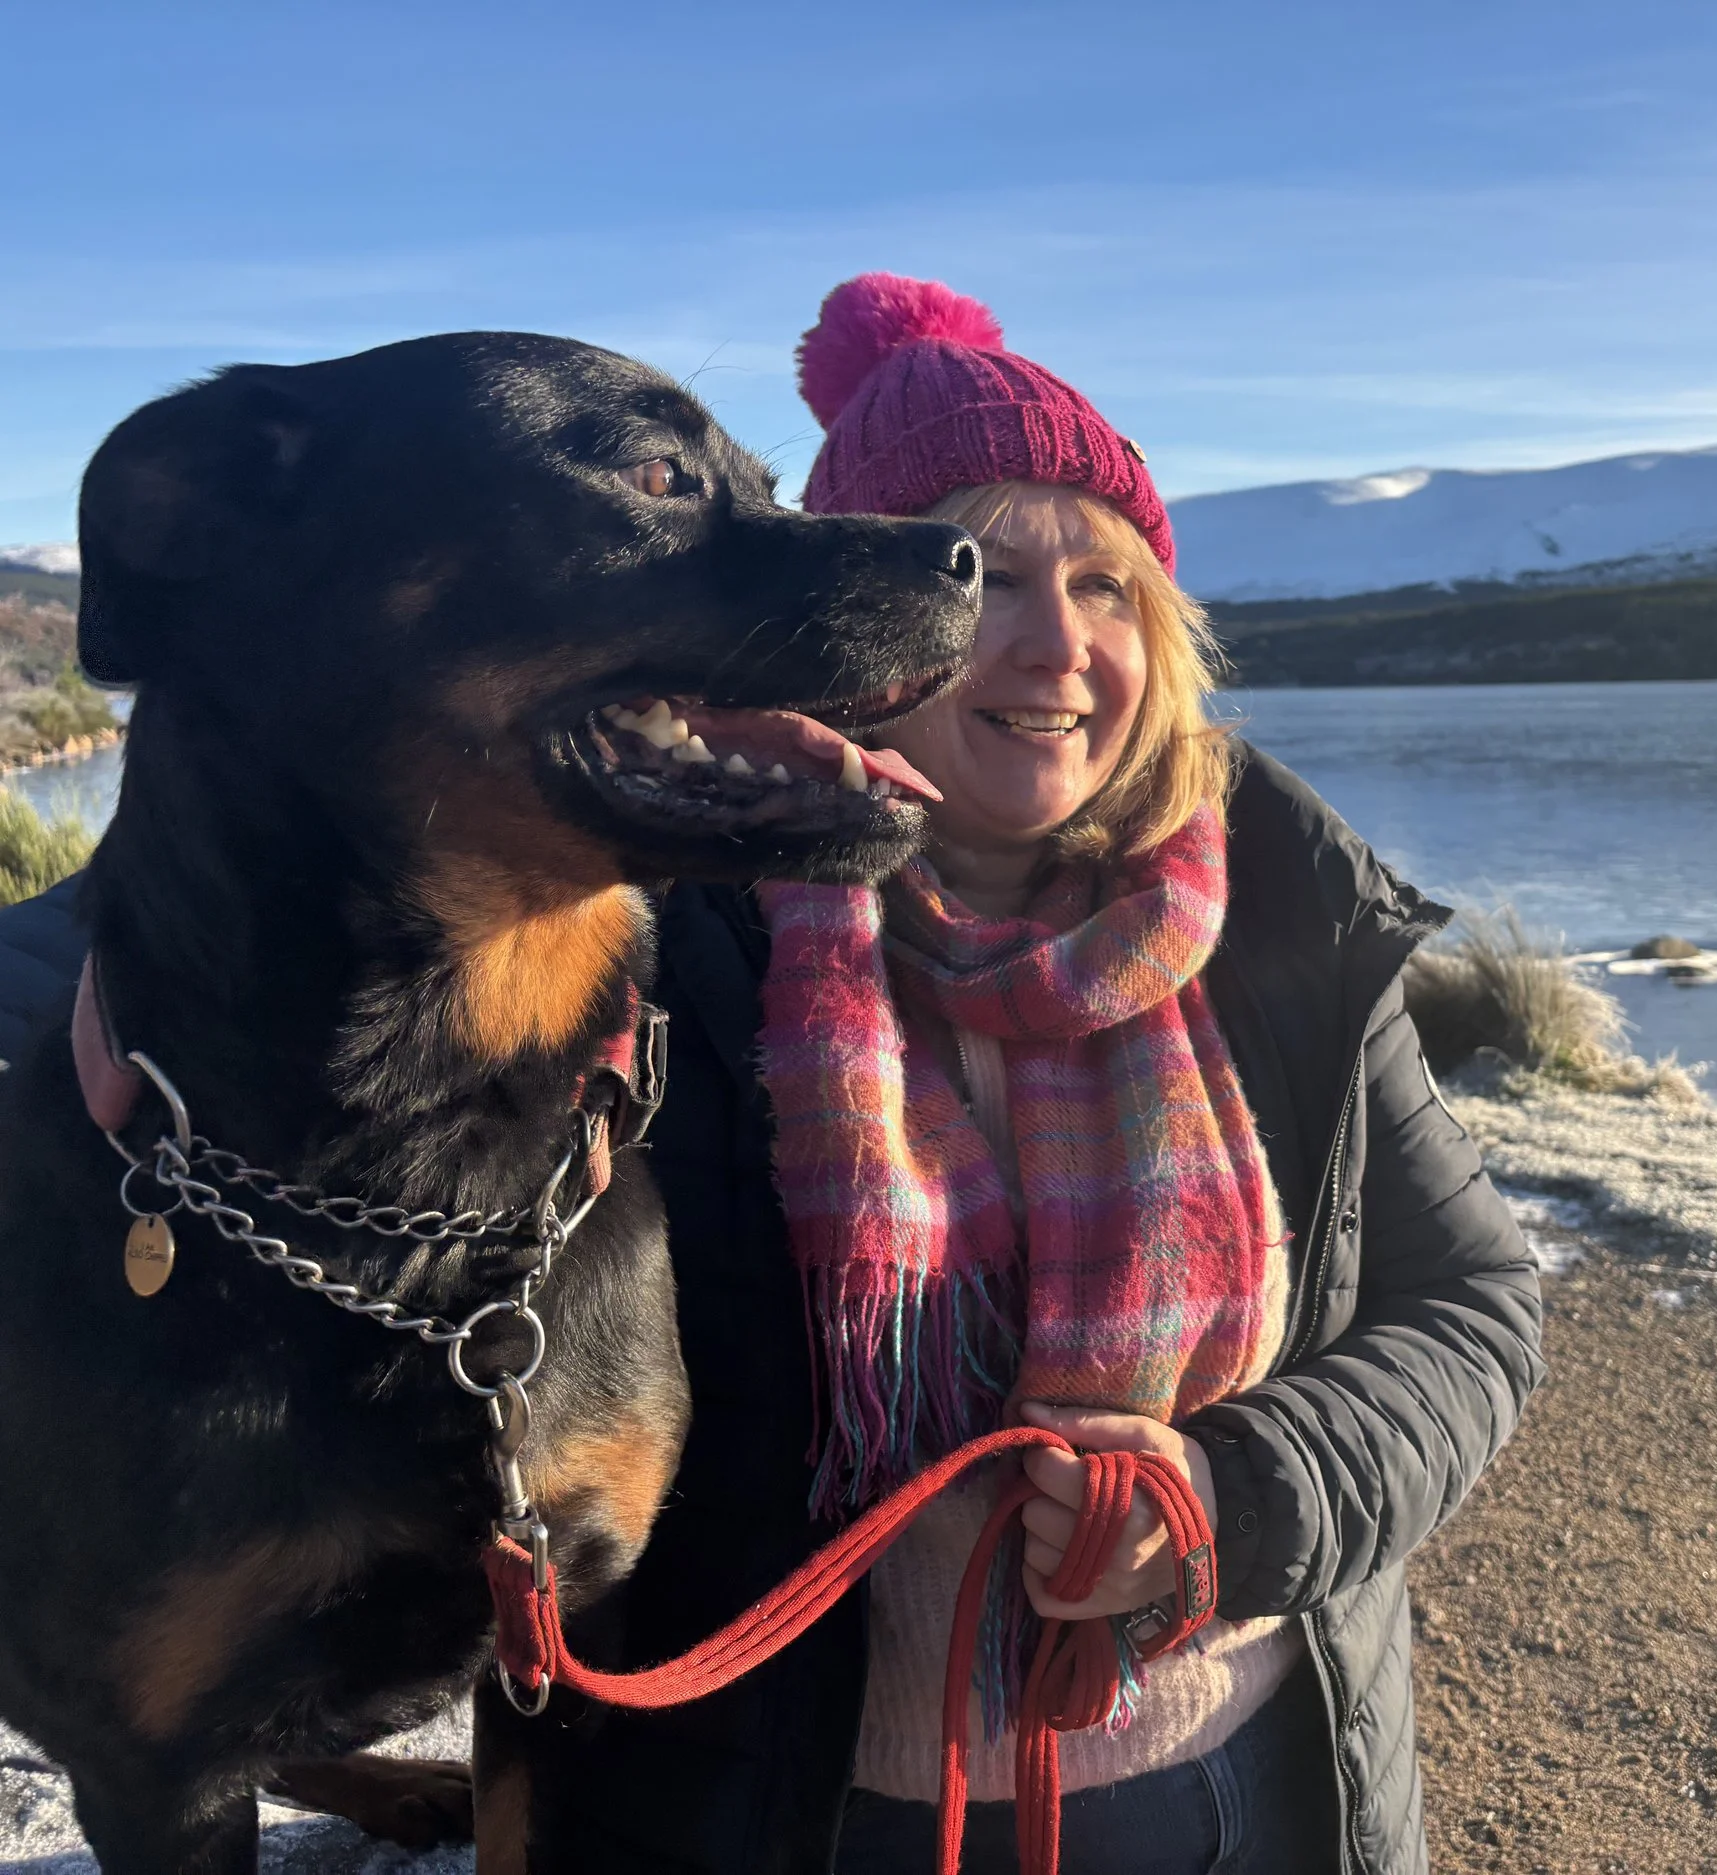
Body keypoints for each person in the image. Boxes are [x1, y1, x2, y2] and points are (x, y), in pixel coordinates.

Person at [0, 276, 1544, 1875]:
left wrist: (1246, 1492)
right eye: (987, 568)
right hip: (817, 1809)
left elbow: (1476, 1308)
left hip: (1253, 1784)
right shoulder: (704, 915)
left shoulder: (1286, 914)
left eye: (1105, 583)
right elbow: (165, 921)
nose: (1050, 639)